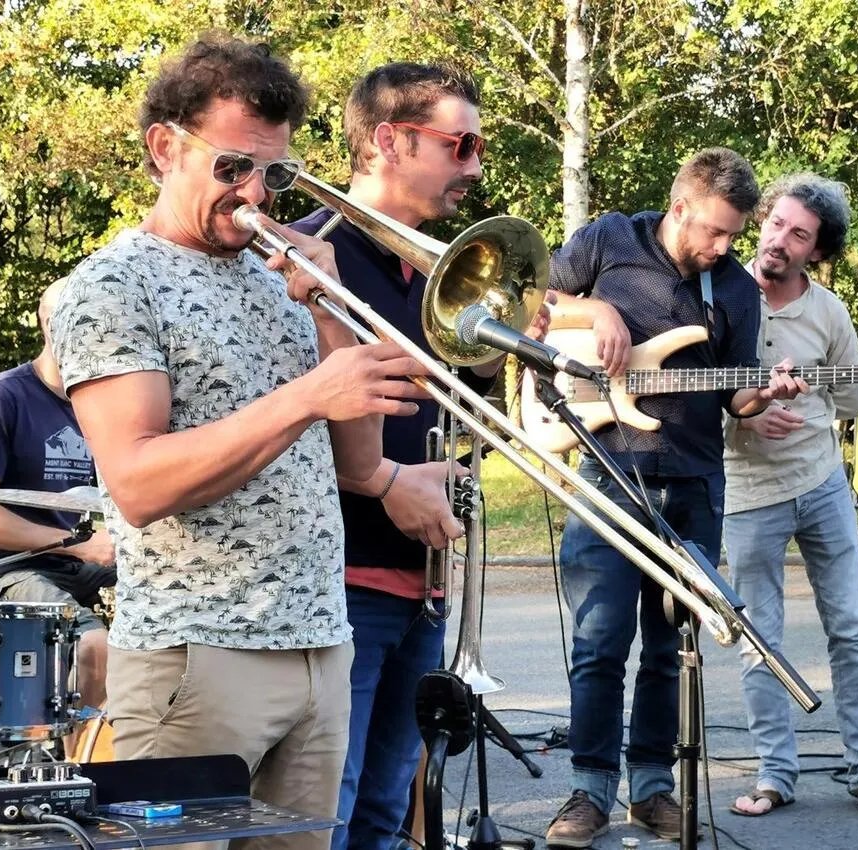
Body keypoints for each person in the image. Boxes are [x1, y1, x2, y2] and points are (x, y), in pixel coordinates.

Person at [50, 34, 427, 850]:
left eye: (274, 173)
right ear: (165, 148)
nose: (254, 193)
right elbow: (137, 483)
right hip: (198, 657)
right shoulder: (113, 284)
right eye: (232, 168)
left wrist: (332, 315)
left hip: (321, 646)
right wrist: (306, 397)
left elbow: (358, 463)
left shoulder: (282, 277)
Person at [295, 63, 549, 850]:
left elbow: (462, 426)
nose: (474, 166)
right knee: (330, 815)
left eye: (478, 147)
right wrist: (386, 483)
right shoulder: (309, 254)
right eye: (458, 145)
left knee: (385, 813)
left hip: (422, 588)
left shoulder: (443, 269)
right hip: (338, 581)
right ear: (387, 141)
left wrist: (500, 353)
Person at [543, 148, 807, 846]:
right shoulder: (610, 239)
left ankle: (652, 788)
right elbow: (528, 300)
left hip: (694, 483)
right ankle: (589, 789)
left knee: (670, 649)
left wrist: (766, 393)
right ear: (680, 206)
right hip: (608, 470)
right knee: (599, 643)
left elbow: (737, 395)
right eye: (714, 231)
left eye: (734, 235)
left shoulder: (735, 288)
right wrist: (596, 308)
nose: (724, 247)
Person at [722, 174, 858, 821]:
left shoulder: (829, 312)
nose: (780, 239)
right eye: (776, 223)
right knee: (760, 641)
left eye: (799, 234)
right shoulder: (719, 296)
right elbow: (690, 398)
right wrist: (747, 416)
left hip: (822, 485)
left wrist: (814, 399)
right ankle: (774, 775)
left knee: (851, 632)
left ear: (817, 250)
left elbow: (853, 400)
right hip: (748, 492)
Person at [0, 279, 115, 713]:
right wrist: (80, 546)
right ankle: (76, 753)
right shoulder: (0, 395)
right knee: (94, 644)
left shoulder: (93, 407)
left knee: (167, 595)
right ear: (49, 324)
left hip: (66, 565)